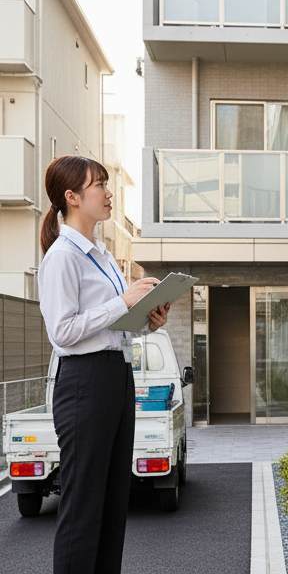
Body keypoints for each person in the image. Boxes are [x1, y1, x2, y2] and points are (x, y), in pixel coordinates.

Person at [37, 155, 171, 574]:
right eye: (99, 185)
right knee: (83, 505)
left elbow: (115, 329)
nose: (109, 192)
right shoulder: (62, 256)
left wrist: (147, 322)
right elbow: (62, 331)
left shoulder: (105, 255)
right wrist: (123, 300)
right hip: (83, 383)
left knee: (115, 500)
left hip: (115, 375)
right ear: (72, 197)